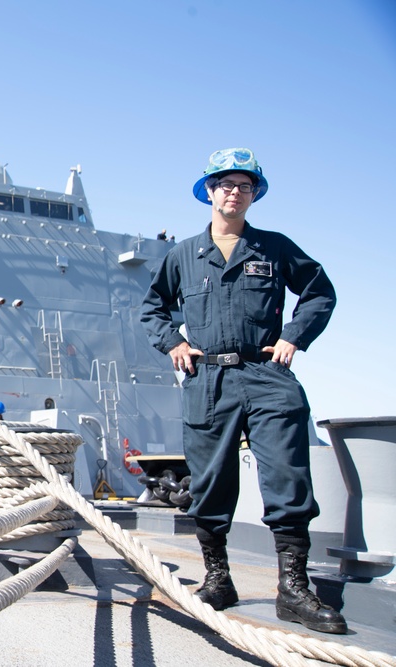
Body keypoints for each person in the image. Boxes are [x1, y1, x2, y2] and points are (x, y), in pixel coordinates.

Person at [140, 148, 344, 634]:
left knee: (289, 477)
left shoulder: (274, 247)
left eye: (244, 185)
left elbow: (319, 291)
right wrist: (174, 343)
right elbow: (152, 308)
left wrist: (294, 336)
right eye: (225, 184)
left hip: (267, 374)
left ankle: (293, 589)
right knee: (210, 482)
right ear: (208, 192)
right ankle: (218, 579)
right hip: (208, 380)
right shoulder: (184, 255)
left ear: (254, 195)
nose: (234, 191)